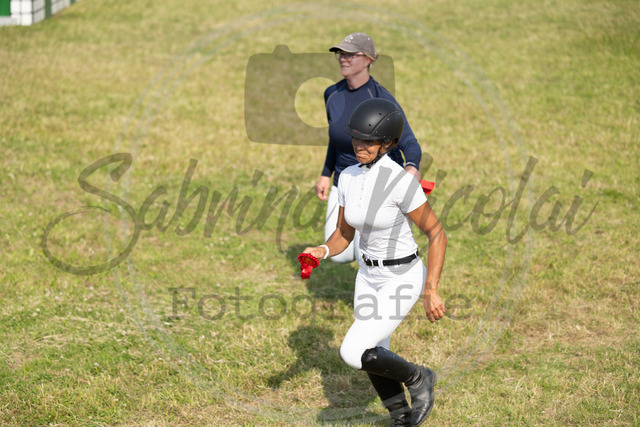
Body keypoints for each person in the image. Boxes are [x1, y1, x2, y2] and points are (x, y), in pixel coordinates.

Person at [302, 98, 446, 426]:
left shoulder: (400, 182)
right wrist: (322, 251)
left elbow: (437, 233)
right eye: (356, 137)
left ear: (389, 143)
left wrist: (431, 289)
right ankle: (401, 418)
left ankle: (419, 377)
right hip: (367, 277)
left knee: (353, 351)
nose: (359, 145)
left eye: (368, 140)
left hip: (402, 276)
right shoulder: (348, 177)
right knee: (374, 351)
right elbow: (343, 233)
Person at [316, 32, 423, 264]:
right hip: (343, 181)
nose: (343, 58)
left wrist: (412, 167)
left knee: (365, 254)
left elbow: (409, 142)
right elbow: (336, 137)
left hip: (377, 185)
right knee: (339, 255)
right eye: (340, 54)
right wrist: (326, 173)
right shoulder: (332, 94)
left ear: (368, 59)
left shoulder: (381, 100)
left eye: (350, 54)